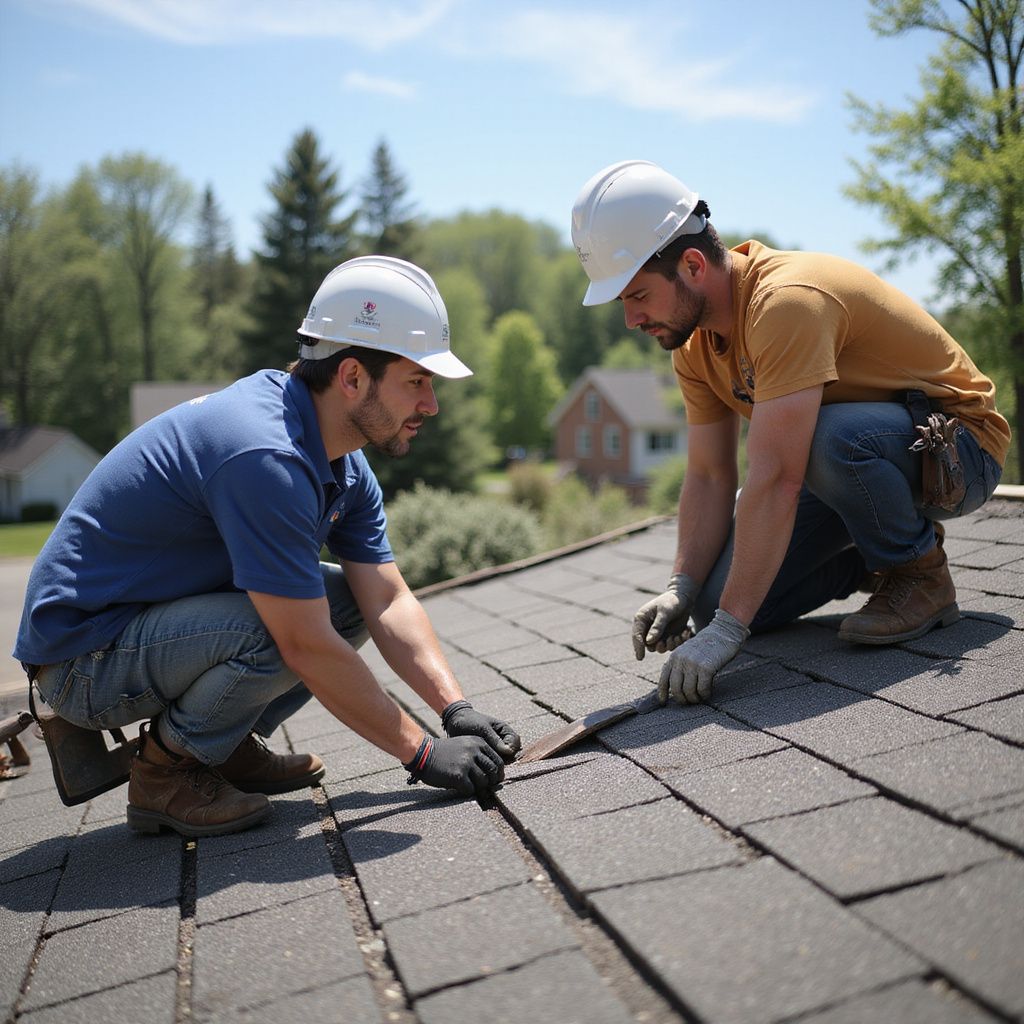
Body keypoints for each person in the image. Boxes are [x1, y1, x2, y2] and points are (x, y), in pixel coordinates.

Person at [14, 256, 521, 837]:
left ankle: (218, 747)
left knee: (341, 602)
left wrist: (455, 711)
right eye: (417, 381)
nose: (430, 405)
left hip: (142, 632)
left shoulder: (340, 463)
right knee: (286, 627)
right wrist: (423, 754)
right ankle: (165, 774)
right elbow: (303, 643)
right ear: (352, 377)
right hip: (84, 659)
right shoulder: (265, 457)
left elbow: (386, 600)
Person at [571, 160, 1010, 706]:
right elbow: (709, 475)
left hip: (957, 450)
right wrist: (681, 587)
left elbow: (777, 476)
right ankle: (870, 556)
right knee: (713, 602)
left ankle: (920, 575)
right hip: (856, 462)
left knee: (830, 439)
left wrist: (730, 634)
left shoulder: (786, 303)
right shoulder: (694, 349)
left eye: (637, 296)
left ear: (691, 265)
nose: (631, 320)